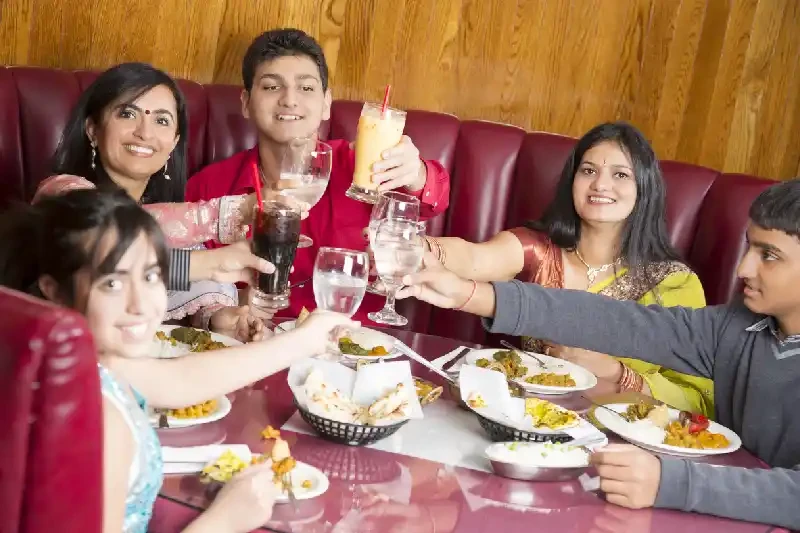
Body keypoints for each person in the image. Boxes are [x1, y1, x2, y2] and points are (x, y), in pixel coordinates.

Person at [396, 180, 800, 528]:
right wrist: (471, 294)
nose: (744, 268)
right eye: (749, 247)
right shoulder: (737, 326)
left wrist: (671, 483)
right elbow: (611, 320)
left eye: (769, 255)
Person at [0, 189, 357, 532]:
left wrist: (303, 341)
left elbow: (182, 379)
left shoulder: (91, 366)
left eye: (152, 276)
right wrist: (224, 521)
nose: (140, 304)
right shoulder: (101, 419)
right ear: (53, 290)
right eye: (112, 284)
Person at [424, 122, 711, 414]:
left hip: (622, 443)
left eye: (621, 174)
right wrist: (420, 248)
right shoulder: (539, 250)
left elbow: (699, 401)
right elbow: (473, 259)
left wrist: (617, 374)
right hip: (523, 420)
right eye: (588, 171)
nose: (600, 184)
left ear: (644, 190)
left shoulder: (674, 283)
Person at [184, 28, 451, 325]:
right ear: (246, 102)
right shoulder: (208, 186)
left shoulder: (362, 166)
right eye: (272, 87)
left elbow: (432, 202)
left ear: (326, 104)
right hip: (252, 350)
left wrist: (416, 174)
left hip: (353, 347)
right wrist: (228, 310)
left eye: (306, 88)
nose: (289, 100)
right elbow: (187, 291)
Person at [34, 62, 279, 339]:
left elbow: (182, 280)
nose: (145, 133)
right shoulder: (61, 193)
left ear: (174, 142)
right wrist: (231, 219)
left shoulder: (170, 226)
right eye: (127, 114)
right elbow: (113, 242)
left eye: (161, 120)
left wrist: (221, 319)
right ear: (92, 129)